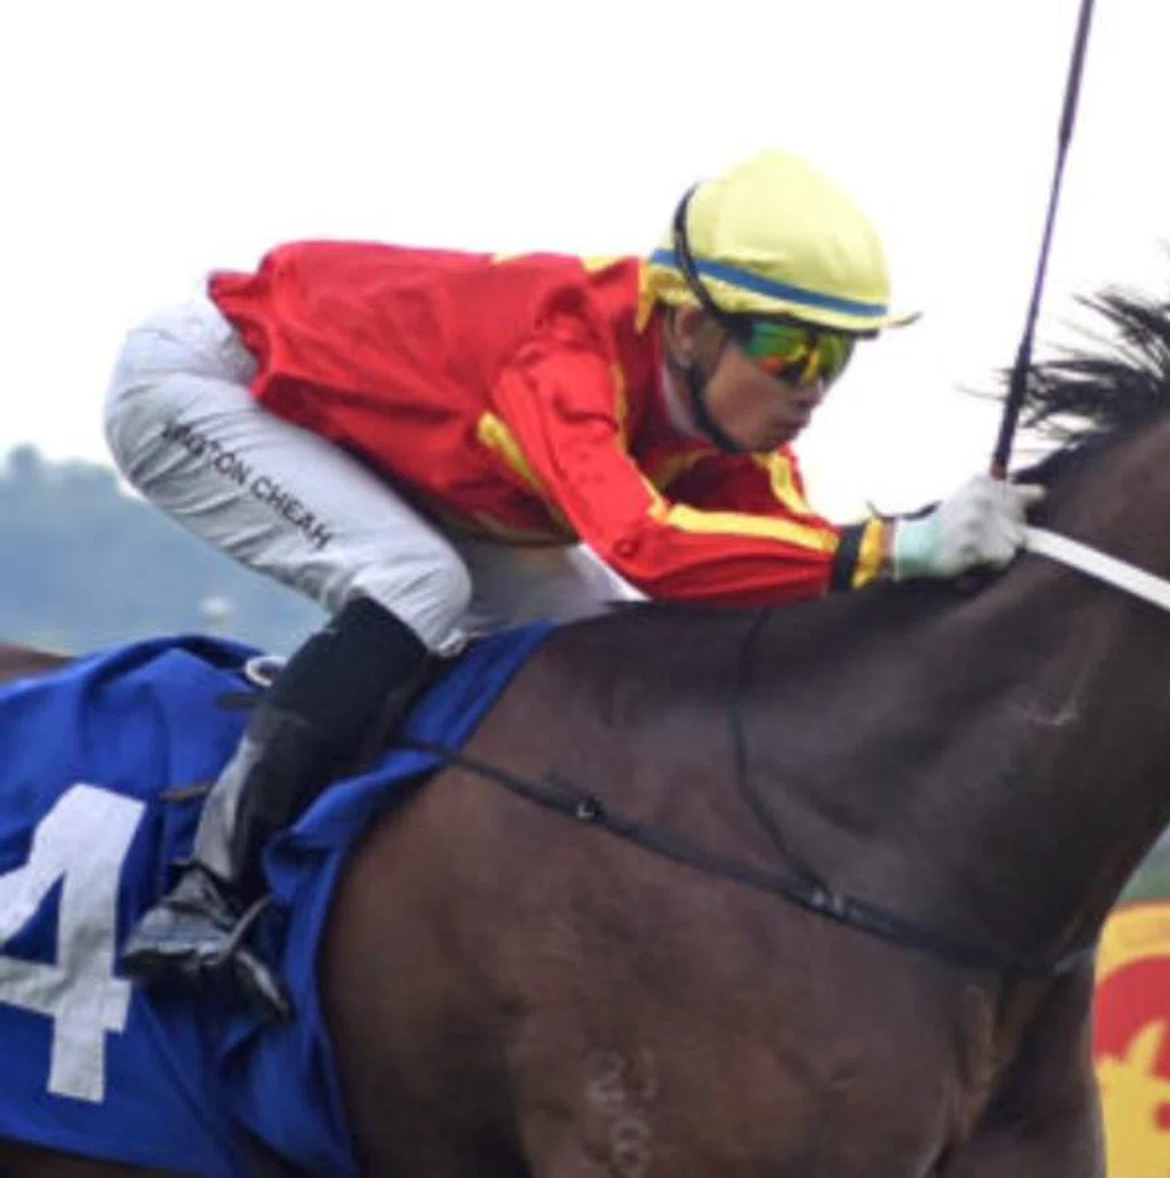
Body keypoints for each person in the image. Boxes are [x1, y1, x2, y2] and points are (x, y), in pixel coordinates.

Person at [102, 148, 1041, 1020]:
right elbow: (648, 544)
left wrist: (939, 583)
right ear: (690, 326)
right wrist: (894, 549)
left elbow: (786, 563)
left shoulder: (720, 421)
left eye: (836, 358)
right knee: (415, 580)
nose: (812, 389)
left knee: (604, 637)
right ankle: (204, 895)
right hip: (210, 383)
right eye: (791, 350)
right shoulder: (565, 355)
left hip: (396, 454)